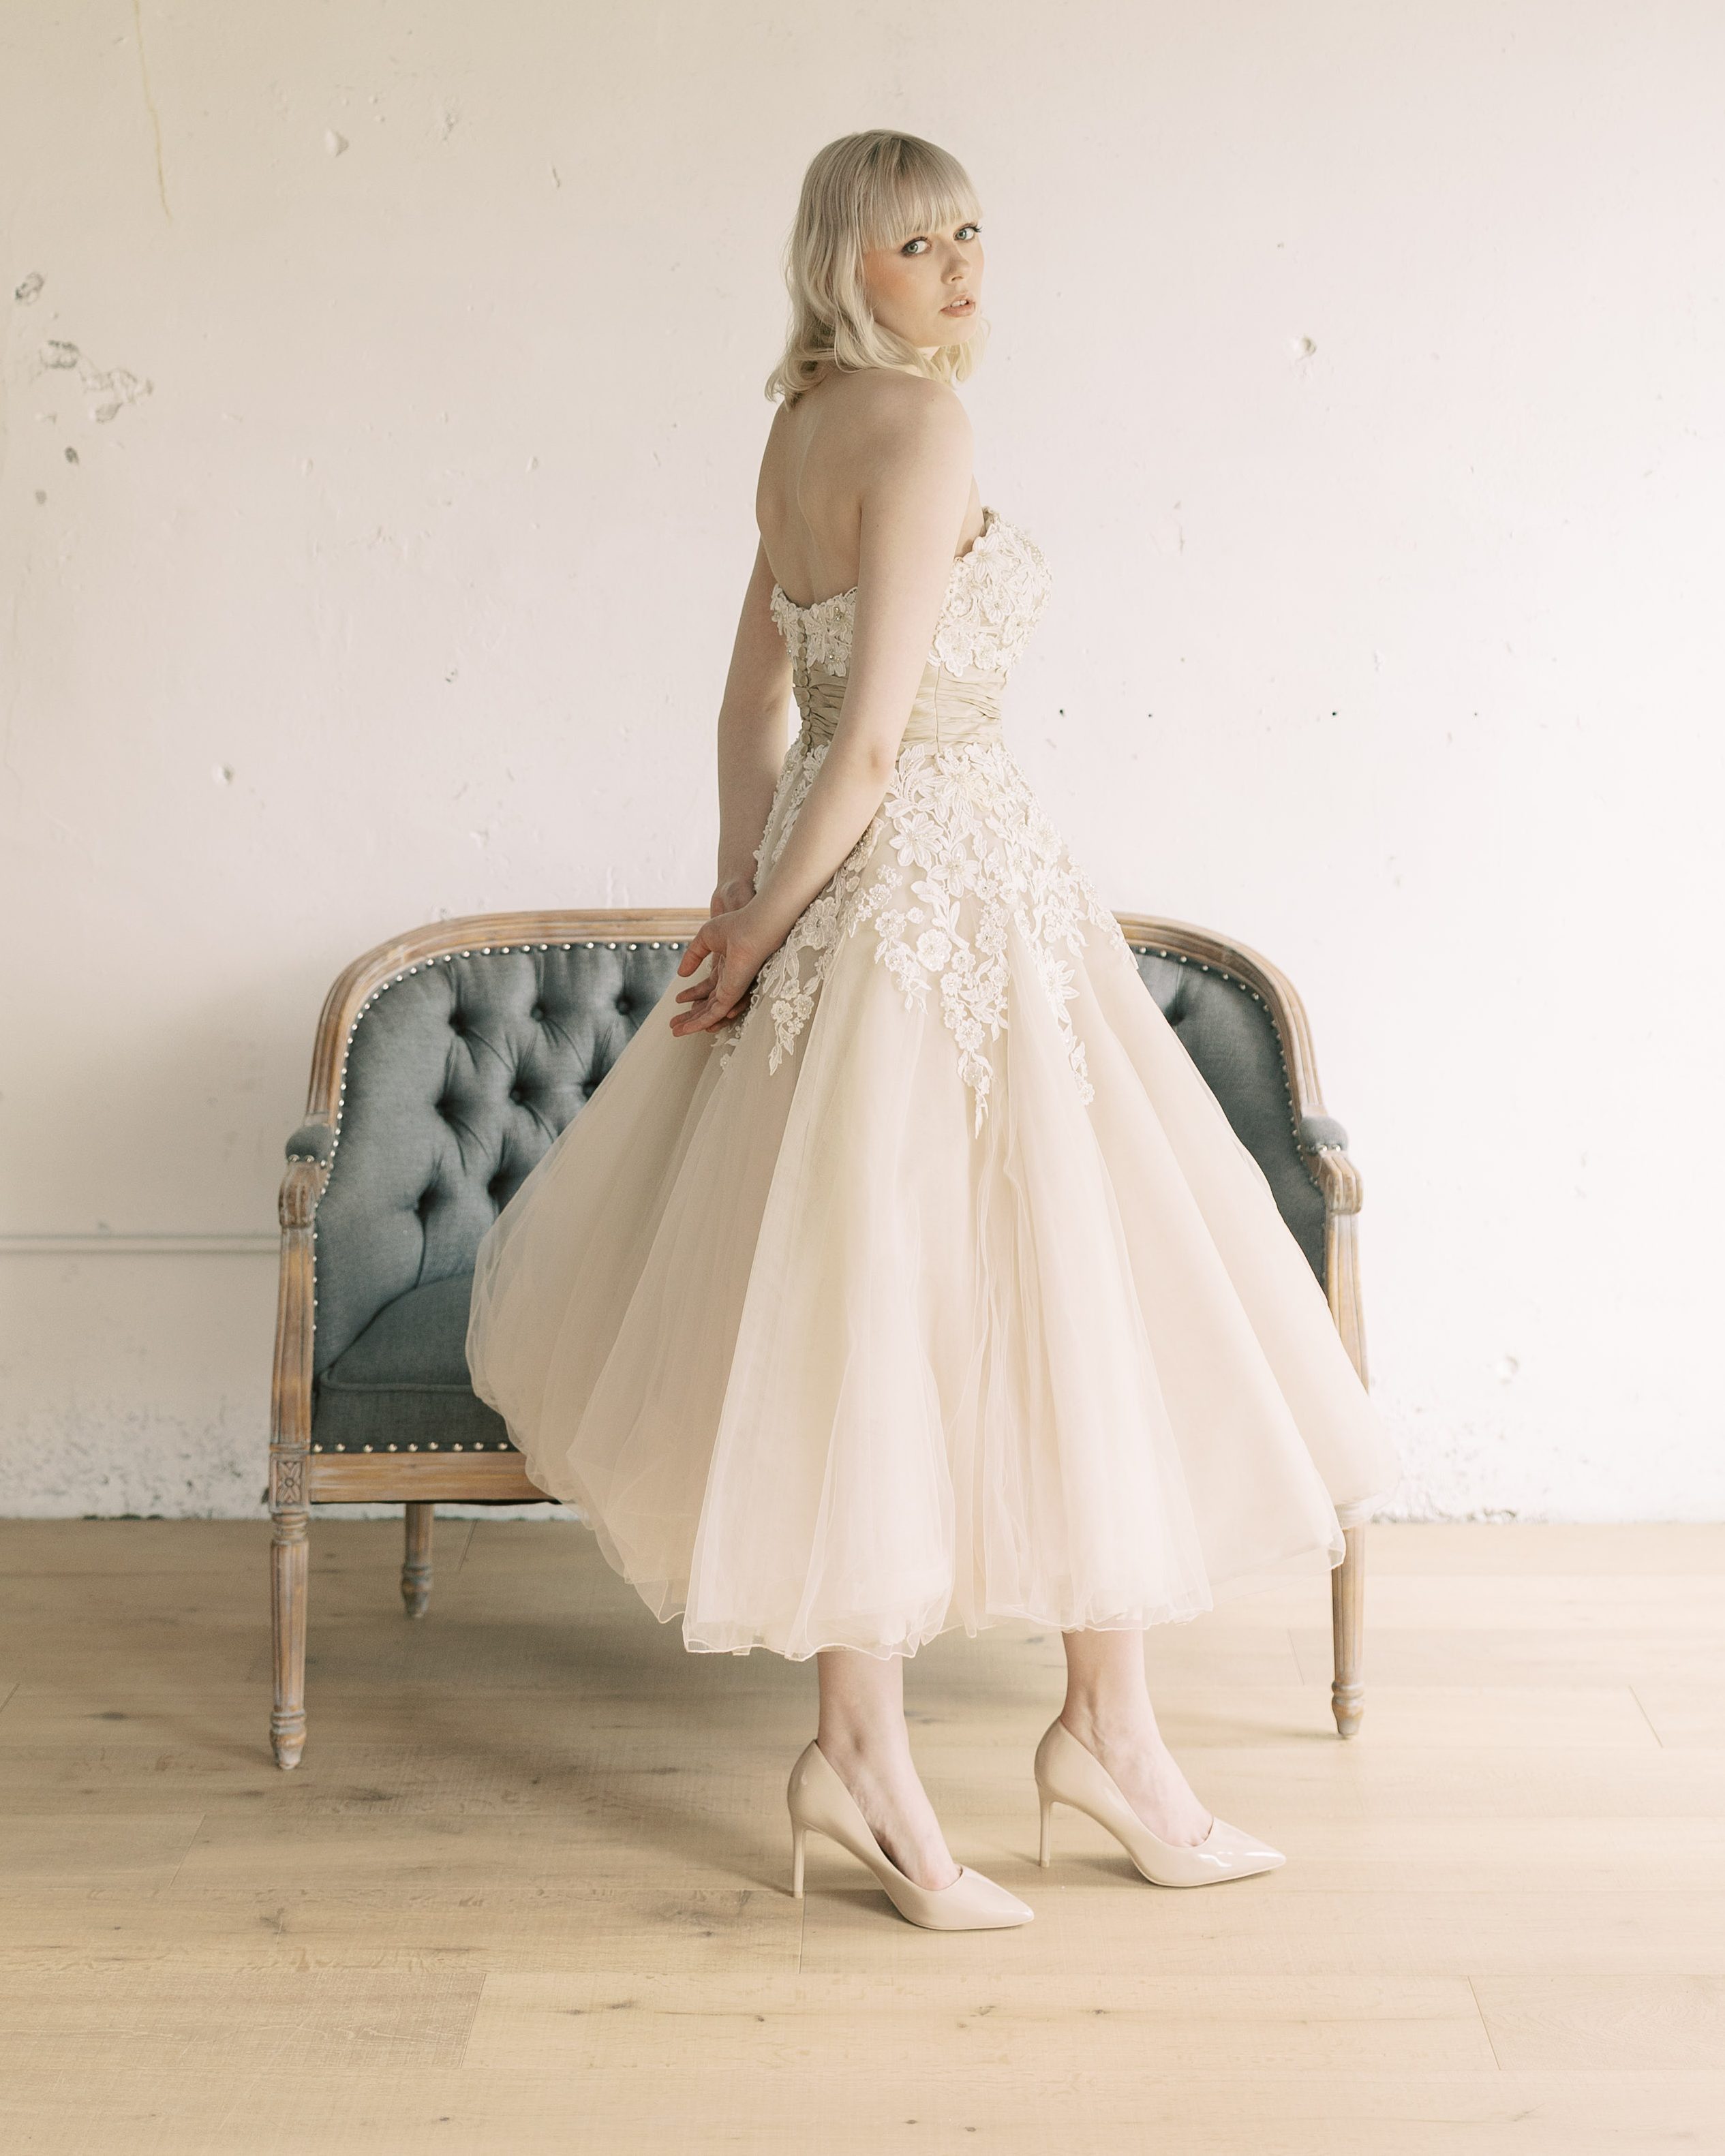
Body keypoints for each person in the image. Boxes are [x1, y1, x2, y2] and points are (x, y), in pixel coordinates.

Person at [466, 129, 1400, 1931]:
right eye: (919, 243)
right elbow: (880, 740)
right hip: (939, 892)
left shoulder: (795, 432)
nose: (963, 266)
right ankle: (1008, 1752)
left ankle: (981, 1748)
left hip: (873, 901)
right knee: (1042, 1287)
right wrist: (761, 920)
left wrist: (739, 895)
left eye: (971, 231)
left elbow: (754, 708)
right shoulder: (918, 424)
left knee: (896, 1301)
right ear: (847, 264)